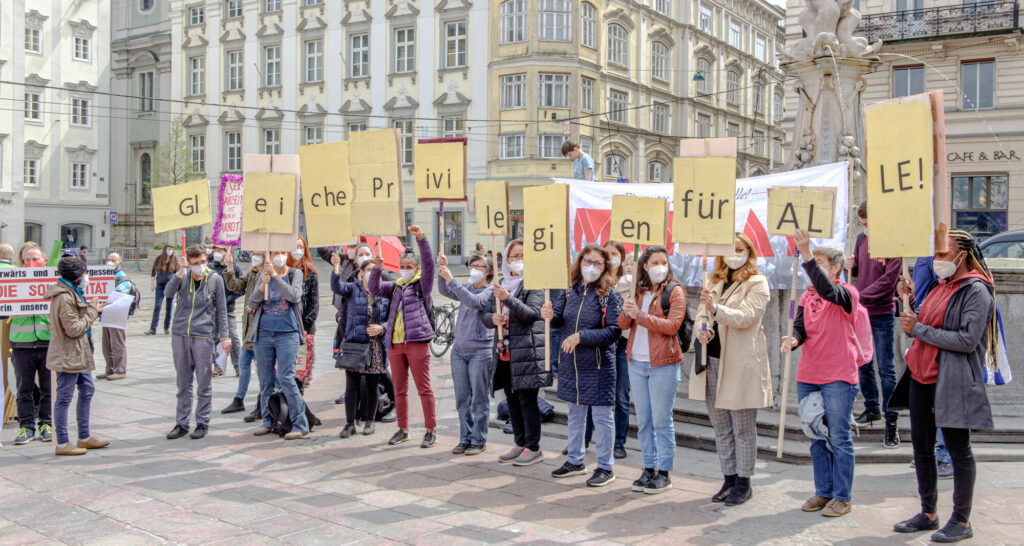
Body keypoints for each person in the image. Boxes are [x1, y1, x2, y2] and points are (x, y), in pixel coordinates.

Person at [890, 230, 996, 543]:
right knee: (922, 448)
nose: (937, 260)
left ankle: (961, 520)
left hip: (952, 380)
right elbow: (928, 323)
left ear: (963, 255)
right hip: (921, 377)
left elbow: (966, 340)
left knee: (958, 450)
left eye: (943, 253)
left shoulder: (977, 290)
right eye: (936, 254)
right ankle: (929, 513)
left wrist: (918, 328)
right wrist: (908, 301)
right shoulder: (942, 286)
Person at [783, 230, 860, 518]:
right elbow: (800, 327)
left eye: (820, 262)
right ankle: (823, 490)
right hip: (809, 372)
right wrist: (793, 339)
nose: (814, 265)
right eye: (813, 261)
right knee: (816, 435)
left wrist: (805, 254)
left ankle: (843, 496)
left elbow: (828, 290)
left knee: (839, 437)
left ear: (836, 267)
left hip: (839, 374)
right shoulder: (805, 295)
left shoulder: (847, 293)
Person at [692, 234, 773, 506]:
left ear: (749, 252)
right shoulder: (714, 279)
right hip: (712, 360)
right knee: (720, 425)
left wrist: (714, 309)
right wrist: (702, 330)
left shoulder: (757, 282)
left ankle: (744, 480)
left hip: (738, 363)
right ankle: (727, 477)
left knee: (742, 427)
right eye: (730, 249)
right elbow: (701, 315)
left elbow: (747, 317)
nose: (734, 254)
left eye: (739, 250)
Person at [543, 244, 623, 488]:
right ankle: (576, 460)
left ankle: (605, 466)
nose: (591, 267)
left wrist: (582, 336)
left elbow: (614, 331)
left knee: (601, 418)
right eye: (587, 261)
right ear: (579, 263)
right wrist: (548, 313)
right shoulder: (570, 291)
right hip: (572, 364)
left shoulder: (611, 294)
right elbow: (558, 318)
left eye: (597, 263)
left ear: (605, 267)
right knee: (575, 416)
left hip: (598, 366)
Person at [618, 245, 686, 494]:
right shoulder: (638, 290)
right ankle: (649, 467)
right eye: (654, 262)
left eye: (664, 262)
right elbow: (623, 323)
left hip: (663, 364)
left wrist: (642, 316)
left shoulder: (674, 291)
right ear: (644, 266)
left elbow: (673, 325)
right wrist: (628, 310)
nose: (660, 267)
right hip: (636, 361)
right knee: (644, 420)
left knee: (661, 420)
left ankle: (664, 471)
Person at [483, 240, 553, 466]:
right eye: (513, 256)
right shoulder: (502, 284)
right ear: (506, 260)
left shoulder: (534, 284)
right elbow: (485, 314)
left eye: (523, 255)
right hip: (505, 352)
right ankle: (520, 441)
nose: (518, 260)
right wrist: (492, 319)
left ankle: (533, 446)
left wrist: (507, 299)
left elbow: (532, 313)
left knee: (527, 400)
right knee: (511, 400)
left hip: (526, 351)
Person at [368, 226, 438, 448]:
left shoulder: (422, 284)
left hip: (416, 343)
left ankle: (430, 430)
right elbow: (375, 288)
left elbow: (429, 264)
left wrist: (421, 239)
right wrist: (376, 270)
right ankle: (403, 429)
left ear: (416, 268)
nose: (405, 269)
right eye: (403, 267)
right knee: (399, 390)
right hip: (395, 345)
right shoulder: (396, 285)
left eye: (409, 267)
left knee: (423, 388)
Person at [846, 201, 902, 447]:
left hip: (881, 313)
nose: (865, 228)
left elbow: (889, 281)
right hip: (861, 312)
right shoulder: (860, 239)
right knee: (863, 364)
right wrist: (851, 265)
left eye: (869, 224)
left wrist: (860, 296)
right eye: (862, 224)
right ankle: (871, 407)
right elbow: (859, 268)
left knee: (886, 369)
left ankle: (892, 422)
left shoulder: (892, 241)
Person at [44, 256, 109, 455]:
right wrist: (92, 311)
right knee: (64, 398)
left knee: (87, 390)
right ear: (77, 276)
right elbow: (74, 328)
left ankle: (84, 436)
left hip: (79, 354)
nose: (86, 277)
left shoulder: (73, 292)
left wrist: (92, 309)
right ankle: (63, 443)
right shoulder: (64, 297)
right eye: (84, 273)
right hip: (69, 355)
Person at [165, 246, 230, 441]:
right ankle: (182, 423)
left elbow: (221, 310)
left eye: (202, 261)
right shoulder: (183, 277)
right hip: (180, 335)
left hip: (203, 336)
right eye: (195, 264)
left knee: (204, 383)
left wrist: (224, 337)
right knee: (183, 383)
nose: (200, 266)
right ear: (188, 263)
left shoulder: (214, 279)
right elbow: (168, 293)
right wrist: (178, 273)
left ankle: (202, 422)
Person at [248, 250, 311, 440]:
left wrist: (275, 277)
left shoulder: (294, 274)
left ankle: (300, 423)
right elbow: (252, 302)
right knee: (265, 381)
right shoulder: (262, 276)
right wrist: (262, 286)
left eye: (283, 252)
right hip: (264, 333)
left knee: (286, 378)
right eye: (275, 252)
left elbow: (294, 296)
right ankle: (267, 420)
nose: (279, 256)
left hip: (288, 333)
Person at [438, 252, 495, 456]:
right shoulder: (468, 287)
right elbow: (445, 289)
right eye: (471, 265)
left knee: (479, 399)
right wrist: (442, 271)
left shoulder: (490, 292)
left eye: (478, 266)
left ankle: (479, 440)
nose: (473, 269)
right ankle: (465, 437)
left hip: (480, 350)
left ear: (487, 271)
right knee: (462, 398)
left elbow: (474, 301)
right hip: (459, 350)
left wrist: (451, 279)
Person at [333, 258, 390, 438]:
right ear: (360, 273)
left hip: (374, 345)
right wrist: (336, 269)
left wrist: (383, 328)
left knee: (372, 385)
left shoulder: (383, 292)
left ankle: (370, 421)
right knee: (352, 385)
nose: (371, 273)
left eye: (375, 270)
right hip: (355, 344)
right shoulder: (353, 289)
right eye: (368, 270)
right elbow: (337, 287)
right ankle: (350, 423)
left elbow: (393, 316)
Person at [910, 256, 954, 480]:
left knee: (944, 406)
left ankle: (946, 455)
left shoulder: (963, 286)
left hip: (944, 353)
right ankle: (929, 453)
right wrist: (907, 299)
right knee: (928, 407)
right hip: (924, 344)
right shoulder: (923, 262)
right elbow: (921, 305)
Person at [10, 242, 53, 445]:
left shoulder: (53, 282)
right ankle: (26, 427)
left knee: (47, 389)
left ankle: (46, 424)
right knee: (24, 390)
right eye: (26, 259)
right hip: (22, 345)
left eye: (35, 259)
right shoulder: (13, 282)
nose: (30, 263)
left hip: (47, 343)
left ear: (44, 261)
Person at [219, 251, 266, 417]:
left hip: (261, 329)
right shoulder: (252, 273)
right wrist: (230, 266)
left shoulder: (268, 274)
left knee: (262, 368)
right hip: (249, 329)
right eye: (253, 254)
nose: (255, 256)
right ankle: (239, 399)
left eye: (258, 254)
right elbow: (234, 285)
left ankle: (263, 401)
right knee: (244, 362)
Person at [604, 240, 631, 460]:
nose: (611, 257)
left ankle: (619, 442)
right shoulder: (596, 280)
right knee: (594, 394)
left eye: (615, 253)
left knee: (621, 396)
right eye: (607, 253)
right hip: (600, 342)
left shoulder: (630, 283)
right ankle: (586, 439)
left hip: (622, 343)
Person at [289, 236, 319, 392]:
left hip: (304, 326)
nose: (298, 250)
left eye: (301, 247)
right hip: (287, 324)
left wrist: (305, 326)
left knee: (301, 366)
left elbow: (314, 303)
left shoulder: (310, 273)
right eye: (295, 246)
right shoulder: (284, 271)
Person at [208, 244, 243, 377]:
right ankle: (218, 366)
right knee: (216, 337)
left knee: (233, 336)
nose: (216, 252)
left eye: (219, 250)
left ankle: (238, 366)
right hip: (213, 309)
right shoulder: (211, 267)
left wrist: (228, 299)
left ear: (226, 251)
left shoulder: (234, 268)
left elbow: (240, 288)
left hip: (228, 308)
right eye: (215, 249)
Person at [97, 252, 133, 381]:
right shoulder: (107, 276)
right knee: (106, 345)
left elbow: (118, 297)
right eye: (108, 259)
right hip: (106, 315)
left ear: (120, 263)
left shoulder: (122, 279)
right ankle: (110, 369)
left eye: (113, 260)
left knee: (117, 344)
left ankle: (120, 370)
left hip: (116, 316)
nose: (110, 262)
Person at [146, 245, 179, 335]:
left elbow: (177, 274)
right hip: (160, 285)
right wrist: (152, 284)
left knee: (169, 307)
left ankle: (166, 327)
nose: (170, 251)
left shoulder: (174, 259)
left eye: (172, 249)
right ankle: (153, 328)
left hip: (170, 285)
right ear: (165, 250)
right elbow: (153, 273)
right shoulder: (159, 259)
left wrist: (177, 287)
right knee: (157, 306)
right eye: (169, 249)